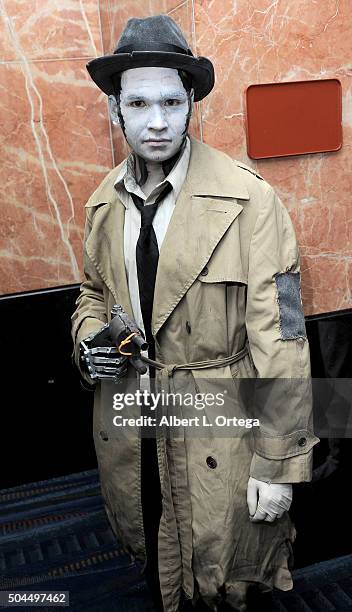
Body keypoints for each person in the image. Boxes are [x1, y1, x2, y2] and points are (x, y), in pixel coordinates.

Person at [71, 14, 319, 612]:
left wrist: (280, 464)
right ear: (115, 111)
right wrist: (89, 341)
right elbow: (92, 293)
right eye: (137, 103)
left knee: (223, 569)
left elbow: (283, 336)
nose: (156, 121)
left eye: (171, 103)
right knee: (154, 548)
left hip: (220, 417)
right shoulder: (103, 203)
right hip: (136, 414)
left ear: (191, 107)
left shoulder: (250, 200)